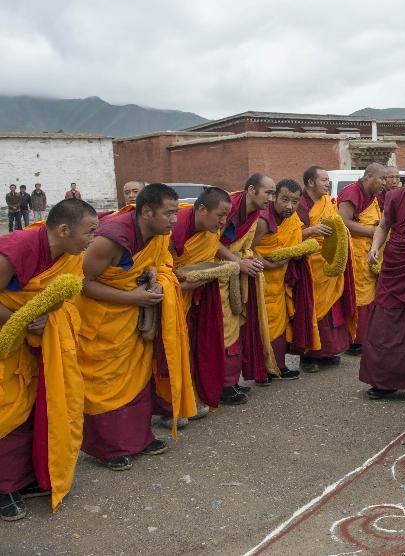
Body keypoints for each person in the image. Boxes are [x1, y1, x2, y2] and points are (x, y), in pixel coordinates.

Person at [77, 183, 195, 471]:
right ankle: (108, 448)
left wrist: (154, 279)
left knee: (138, 377)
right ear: (146, 211)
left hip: (133, 318)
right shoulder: (110, 239)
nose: (174, 220)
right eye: (168, 214)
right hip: (102, 321)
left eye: (176, 213)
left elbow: (157, 266)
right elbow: (82, 284)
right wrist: (133, 297)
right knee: (105, 383)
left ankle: (139, 438)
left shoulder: (156, 235)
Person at [0, 199, 97, 521]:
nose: (92, 241)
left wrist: (45, 320)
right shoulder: (16, 249)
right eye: (89, 232)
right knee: (7, 410)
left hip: (35, 343)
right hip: (6, 339)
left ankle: (22, 478)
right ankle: (3, 489)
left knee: (33, 407)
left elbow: (66, 301)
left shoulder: (70, 258)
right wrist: (23, 319)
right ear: (64, 229)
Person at [360, 154, 405, 400]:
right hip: (395, 265)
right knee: (385, 322)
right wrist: (374, 249)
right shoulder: (394, 197)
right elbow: (383, 226)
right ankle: (384, 381)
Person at [169, 187, 232, 418]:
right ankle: (170, 407)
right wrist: (182, 285)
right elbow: (157, 268)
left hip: (197, 296)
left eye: (226, 216)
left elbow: (213, 249)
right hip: (169, 298)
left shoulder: (210, 230)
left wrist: (235, 262)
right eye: (220, 216)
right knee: (171, 350)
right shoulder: (172, 229)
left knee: (194, 347)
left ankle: (190, 397)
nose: (224, 221)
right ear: (202, 209)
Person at [215, 173, 275, 402]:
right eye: (268, 192)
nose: (271, 197)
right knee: (224, 328)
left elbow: (246, 246)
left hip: (238, 273)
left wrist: (252, 260)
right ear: (251, 190)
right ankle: (222, 385)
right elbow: (212, 242)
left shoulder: (254, 213)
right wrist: (238, 262)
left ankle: (232, 380)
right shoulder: (229, 208)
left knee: (238, 326)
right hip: (220, 273)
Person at [252, 178, 316, 381]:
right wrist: (269, 264)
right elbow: (246, 249)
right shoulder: (262, 221)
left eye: (295, 201)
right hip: (260, 279)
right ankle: (262, 370)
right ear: (274, 197)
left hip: (280, 280)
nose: (290, 206)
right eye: (284, 200)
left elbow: (294, 241)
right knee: (262, 324)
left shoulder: (292, 219)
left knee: (279, 323)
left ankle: (278, 365)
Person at [297, 166, 356, 371]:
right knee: (311, 308)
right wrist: (311, 230)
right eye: (323, 180)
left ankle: (328, 352)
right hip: (310, 263)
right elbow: (287, 236)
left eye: (327, 180)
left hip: (328, 262)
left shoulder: (326, 202)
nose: (327, 184)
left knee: (332, 309)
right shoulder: (300, 204)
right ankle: (309, 356)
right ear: (310, 182)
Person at [338, 164, 386, 355]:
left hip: (368, 250)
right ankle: (354, 339)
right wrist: (371, 231)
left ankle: (364, 336)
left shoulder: (372, 196)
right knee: (358, 295)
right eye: (381, 178)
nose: (383, 183)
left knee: (369, 295)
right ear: (369, 177)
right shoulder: (352, 192)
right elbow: (343, 222)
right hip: (354, 250)